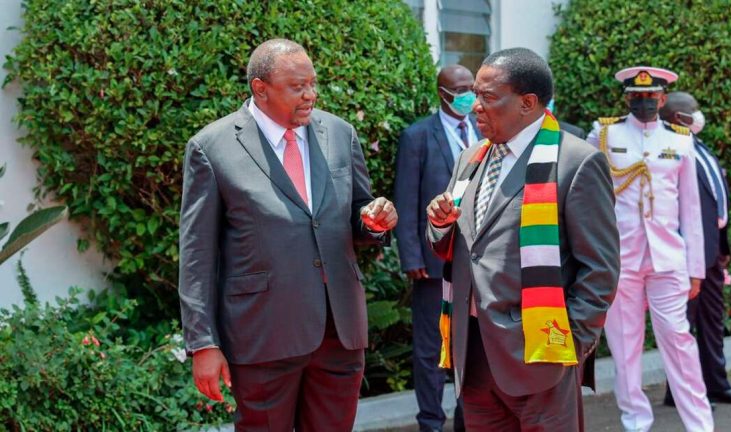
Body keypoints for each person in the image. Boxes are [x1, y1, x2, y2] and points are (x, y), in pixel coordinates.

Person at [178, 38, 398, 431]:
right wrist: (203, 343)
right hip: (263, 335)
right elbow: (197, 255)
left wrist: (374, 220)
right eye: (297, 87)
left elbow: (357, 210)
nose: (310, 95)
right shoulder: (212, 147)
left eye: (313, 84)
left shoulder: (339, 133)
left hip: (339, 332)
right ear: (260, 88)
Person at [426, 47, 620, 431]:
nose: (475, 106)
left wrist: (571, 345)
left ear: (527, 103)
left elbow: (600, 269)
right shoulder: (471, 158)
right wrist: (440, 224)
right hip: (475, 354)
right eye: (475, 95)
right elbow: (462, 247)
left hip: (541, 356)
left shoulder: (576, 162)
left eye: (487, 96)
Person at [587, 67, 714, 432]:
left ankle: (700, 425)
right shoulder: (605, 134)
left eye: (650, 96)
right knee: (625, 348)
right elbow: (590, 196)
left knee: (678, 340)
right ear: (627, 98)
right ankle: (636, 423)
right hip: (620, 258)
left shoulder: (680, 141)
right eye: (636, 97)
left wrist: (695, 269)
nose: (643, 102)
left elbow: (691, 210)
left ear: (662, 98)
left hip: (667, 258)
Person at [659, 91, 731, 407]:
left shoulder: (698, 146)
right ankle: (679, 392)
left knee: (712, 322)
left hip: (712, 252)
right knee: (683, 326)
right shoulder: (669, 152)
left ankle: (716, 385)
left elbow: (716, 198)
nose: (700, 115)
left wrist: (723, 245)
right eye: (695, 110)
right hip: (686, 255)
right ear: (679, 117)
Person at [394, 64, 478, 432]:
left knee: (470, 346)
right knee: (430, 349)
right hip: (432, 262)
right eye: (460, 90)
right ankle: (430, 422)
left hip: (476, 262)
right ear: (442, 94)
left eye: (471, 88)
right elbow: (406, 197)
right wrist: (411, 256)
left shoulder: (484, 131)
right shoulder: (417, 136)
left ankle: (467, 420)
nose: (468, 96)